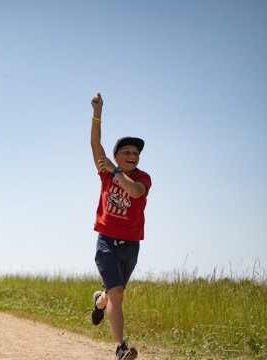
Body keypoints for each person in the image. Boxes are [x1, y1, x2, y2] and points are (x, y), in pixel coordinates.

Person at [88, 93, 151, 360]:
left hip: (131, 245)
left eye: (136, 153)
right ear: (116, 155)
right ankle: (120, 348)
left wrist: (116, 171)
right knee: (117, 293)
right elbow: (94, 143)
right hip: (106, 241)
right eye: (126, 152)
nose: (132, 155)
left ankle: (98, 302)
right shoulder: (105, 171)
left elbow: (135, 192)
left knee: (113, 295)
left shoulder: (142, 177)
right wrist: (97, 112)